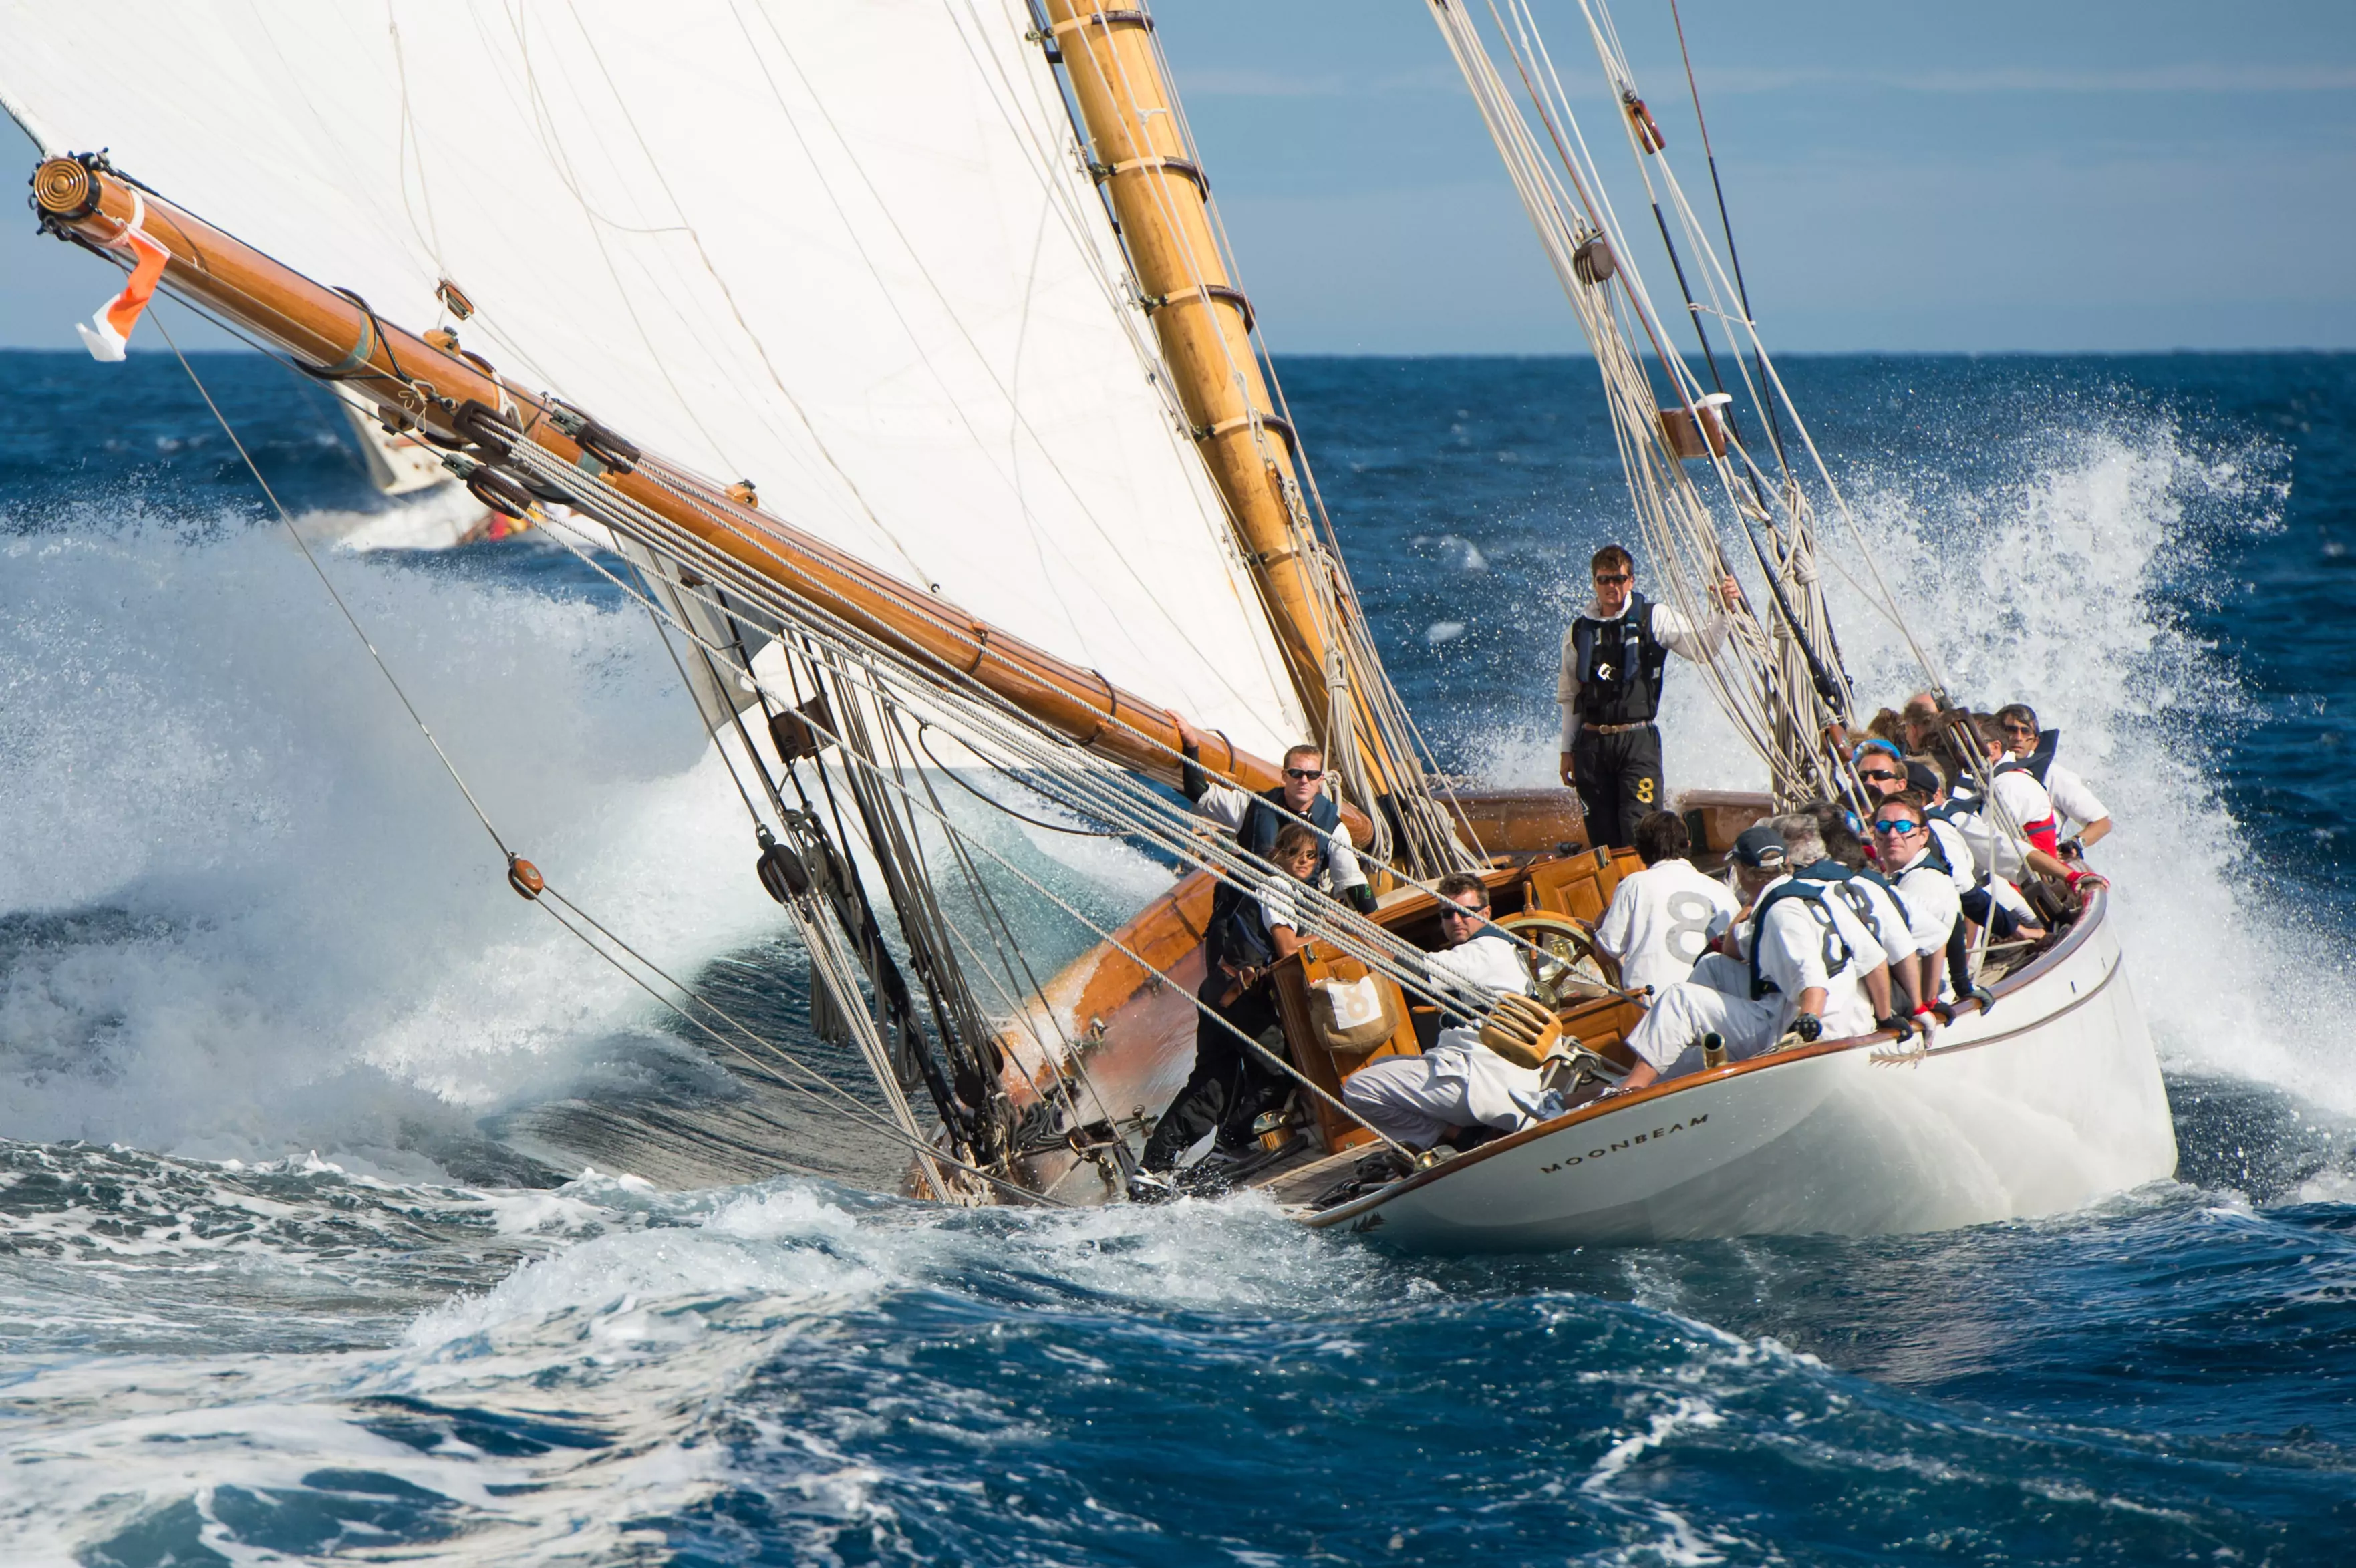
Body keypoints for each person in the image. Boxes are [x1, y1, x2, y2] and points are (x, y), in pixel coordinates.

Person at [1613, 824, 1889, 1095]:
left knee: (1680, 999)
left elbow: (1812, 980)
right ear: (1788, 862)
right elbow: (1875, 960)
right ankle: (1691, 1054)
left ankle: (1632, 1088)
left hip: (1805, 1031)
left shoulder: (1781, 913)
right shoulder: (1801, 894)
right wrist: (1887, 1018)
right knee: (1713, 966)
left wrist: (1809, 1021)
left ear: (1742, 870)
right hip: (1843, 1013)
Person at [1142, 822, 1324, 1174]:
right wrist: (1328, 939)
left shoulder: (1266, 886)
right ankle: (1233, 1142)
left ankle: (1154, 1163)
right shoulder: (1279, 888)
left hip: (1219, 991)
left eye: (1311, 856)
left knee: (1214, 1081)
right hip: (1237, 997)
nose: (1304, 861)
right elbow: (1287, 948)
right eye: (1295, 854)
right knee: (1279, 1073)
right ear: (1279, 854)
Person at [1342, 873, 1551, 1152]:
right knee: (1384, 1066)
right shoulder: (1499, 947)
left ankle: (1458, 1138)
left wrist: (1351, 927)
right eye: (1447, 914)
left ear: (1486, 913)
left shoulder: (1482, 952)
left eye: (1465, 913)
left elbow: (1410, 966)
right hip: (1489, 1076)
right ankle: (1460, 1135)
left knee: (1359, 1089)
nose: (1455, 921)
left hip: (1483, 1084)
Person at [1557, 544, 1739, 849]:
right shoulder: (1578, 632)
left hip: (1637, 743)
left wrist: (1724, 611)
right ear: (1594, 583)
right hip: (1592, 747)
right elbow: (1570, 696)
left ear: (1631, 581)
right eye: (1604, 580)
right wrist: (1566, 752)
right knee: (1602, 839)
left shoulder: (1655, 618)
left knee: (1639, 829)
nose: (1611, 586)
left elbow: (1704, 649)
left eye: (1618, 578)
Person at [1174, 722, 1378, 915]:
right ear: (1284, 776)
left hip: (1294, 923)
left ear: (1321, 780)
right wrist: (1192, 745)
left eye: (1312, 775)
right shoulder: (1250, 806)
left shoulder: (1333, 828)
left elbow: (1352, 881)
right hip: (1246, 918)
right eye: (1297, 773)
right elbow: (1199, 793)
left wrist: (1379, 924)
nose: (1304, 781)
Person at [1592, 809, 1739, 999]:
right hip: (1710, 1005)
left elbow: (1606, 955)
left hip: (1649, 1005)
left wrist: (1599, 929)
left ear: (1640, 853)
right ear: (1688, 845)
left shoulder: (1634, 884)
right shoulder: (1723, 891)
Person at [1866, 790, 1964, 1020]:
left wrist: (1927, 1002)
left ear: (1923, 835)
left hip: (1914, 1010)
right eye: (1883, 827)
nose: (1892, 835)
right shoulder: (1902, 879)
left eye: (1902, 827)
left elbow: (1914, 946)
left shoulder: (1923, 883)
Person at [1996, 703, 2113, 850]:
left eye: (2025, 732)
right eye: (2011, 730)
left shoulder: (2055, 776)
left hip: (2038, 865)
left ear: (2035, 743)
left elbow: (2102, 822)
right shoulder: (1979, 769)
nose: (2018, 738)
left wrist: (2076, 844)